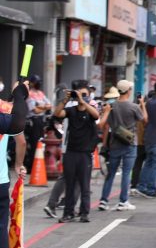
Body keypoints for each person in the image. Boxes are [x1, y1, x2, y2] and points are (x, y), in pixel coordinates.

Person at [54, 81, 100, 223]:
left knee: (84, 185)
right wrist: (66, 99)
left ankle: (84, 213)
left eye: (85, 94)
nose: (82, 96)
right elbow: (57, 113)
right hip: (71, 152)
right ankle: (68, 213)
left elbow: (96, 116)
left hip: (85, 154)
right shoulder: (71, 110)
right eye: (79, 94)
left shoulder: (90, 109)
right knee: (70, 184)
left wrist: (82, 101)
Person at [98, 80, 146, 211]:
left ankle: (103, 200)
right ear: (128, 90)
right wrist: (142, 104)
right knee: (126, 173)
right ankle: (123, 201)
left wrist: (104, 144)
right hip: (130, 144)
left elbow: (106, 125)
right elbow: (144, 119)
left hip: (115, 143)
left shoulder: (111, 105)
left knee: (111, 173)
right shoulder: (133, 107)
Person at [0, 82, 28, 248]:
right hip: (0, 180)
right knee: (1, 229)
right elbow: (20, 135)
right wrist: (19, 96)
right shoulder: (5, 109)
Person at [24, 74, 51, 170]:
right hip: (33, 121)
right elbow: (34, 110)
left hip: (41, 121)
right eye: (36, 81)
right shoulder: (29, 94)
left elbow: (49, 105)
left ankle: (38, 165)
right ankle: (31, 166)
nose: (38, 83)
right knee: (34, 144)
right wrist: (43, 107)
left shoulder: (40, 93)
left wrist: (39, 106)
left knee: (41, 142)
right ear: (31, 83)